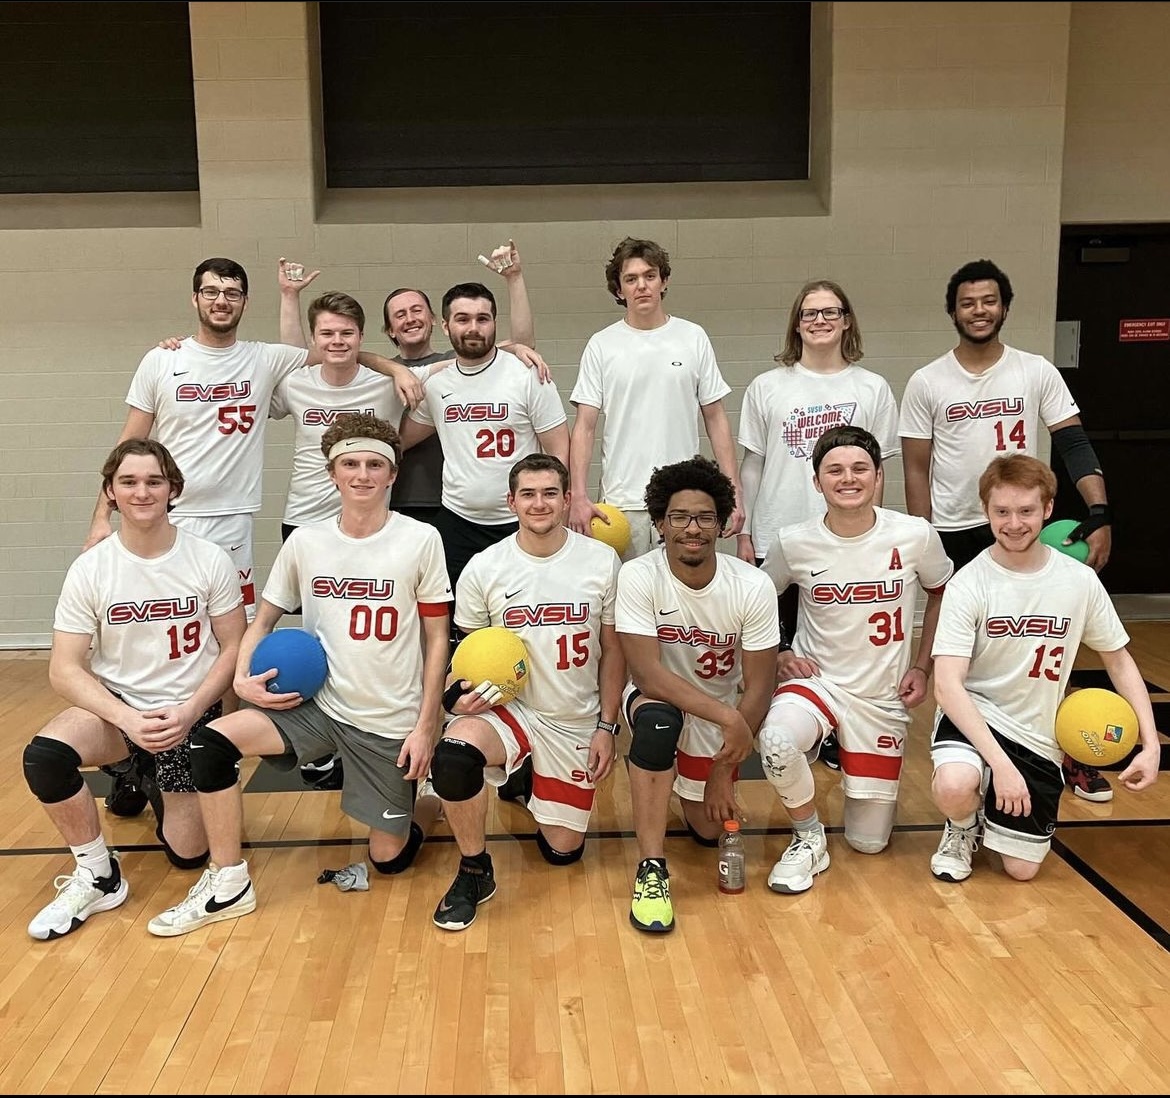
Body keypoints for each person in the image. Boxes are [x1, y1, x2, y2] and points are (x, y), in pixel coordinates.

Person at [146, 413, 451, 936]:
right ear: (332, 474)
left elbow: (437, 638)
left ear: (392, 474)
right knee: (212, 743)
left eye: (374, 464)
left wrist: (426, 726)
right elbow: (259, 620)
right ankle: (228, 878)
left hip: (386, 716)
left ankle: (426, 803)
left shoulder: (420, 540)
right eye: (350, 464)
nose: (362, 474)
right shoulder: (306, 542)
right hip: (315, 706)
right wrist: (241, 680)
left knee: (388, 860)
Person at [899, 258, 1117, 801]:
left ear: (1004, 307)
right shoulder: (928, 380)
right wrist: (924, 531)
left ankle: (1071, 747)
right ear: (953, 310)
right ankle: (968, 746)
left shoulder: (1035, 370)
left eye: (989, 300)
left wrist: (1100, 514)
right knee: (961, 648)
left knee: (1050, 640)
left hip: (1021, 523)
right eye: (968, 302)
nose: (979, 310)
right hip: (956, 527)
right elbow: (915, 466)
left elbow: (1073, 443)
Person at [23, 439, 245, 940]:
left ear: (172, 490)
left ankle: (141, 773)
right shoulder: (92, 568)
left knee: (187, 855)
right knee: (44, 757)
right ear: (111, 492)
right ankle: (99, 873)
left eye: (153, 481)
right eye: (129, 481)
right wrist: (126, 720)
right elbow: (63, 668)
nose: (141, 492)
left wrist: (191, 712)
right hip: (123, 711)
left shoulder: (209, 559)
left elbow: (233, 647)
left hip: (191, 710)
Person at [927, 453, 1159, 885]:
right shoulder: (968, 584)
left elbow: (1119, 658)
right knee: (955, 785)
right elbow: (947, 687)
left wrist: (1150, 742)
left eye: (1026, 511)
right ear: (986, 511)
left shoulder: (1079, 581)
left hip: (1037, 732)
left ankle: (998, 804)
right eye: (1002, 512)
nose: (1014, 523)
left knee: (1021, 871)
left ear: (1048, 509)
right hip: (977, 716)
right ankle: (961, 826)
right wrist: (1001, 766)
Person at [428, 454, 624, 931]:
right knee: (454, 756)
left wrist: (606, 728)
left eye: (550, 493)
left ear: (568, 499)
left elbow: (615, 654)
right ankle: (475, 869)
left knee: (562, 850)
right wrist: (456, 700)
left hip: (574, 715)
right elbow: (465, 655)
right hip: (511, 709)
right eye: (529, 494)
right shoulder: (484, 567)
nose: (540, 504)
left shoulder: (602, 560)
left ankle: (522, 779)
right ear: (511, 501)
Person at [757, 426, 952, 893]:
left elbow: (943, 593)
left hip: (881, 697)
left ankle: (865, 792)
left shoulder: (915, 535)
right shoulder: (793, 541)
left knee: (869, 842)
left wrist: (923, 666)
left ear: (879, 476)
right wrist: (780, 652)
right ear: (816, 481)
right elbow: (757, 599)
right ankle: (808, 836)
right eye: (835, 470)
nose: (849, 478)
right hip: (817, 682)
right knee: (778, 742)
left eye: (860, 468)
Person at [736, 279, 900, 771]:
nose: (821, 320)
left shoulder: (871, 387)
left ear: (847, 320)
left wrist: (875, 533)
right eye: (810, 313)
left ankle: (833, 730)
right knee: (778, 647)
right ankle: (779, 730)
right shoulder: (769, 386)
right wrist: (745, 533)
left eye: (831, 312)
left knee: (836, 639)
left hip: (848, 538)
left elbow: (881, 468)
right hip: (779, 533)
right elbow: (752, 465)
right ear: (797, 323)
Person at [615, 456, 779, 933]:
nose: (693, 528)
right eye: (681, 517)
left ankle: (683, 785)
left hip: (720, 709)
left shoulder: (751, 585)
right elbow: (647, 674)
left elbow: (761, 683)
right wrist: (731, 722)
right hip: (661, 701)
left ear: (722, 523)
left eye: (705, 517)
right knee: (657, 723)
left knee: (709, 832)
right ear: (661, 523)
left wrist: (723, 771)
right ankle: (651, 866)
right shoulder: (639, 576)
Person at [278, 240, 539, 531]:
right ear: (389, 329)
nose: (410, 318)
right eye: (399, 315)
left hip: (445, 502)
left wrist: (514, 284)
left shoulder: (457, 363)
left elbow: (518, 344)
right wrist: (392, 368)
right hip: (391, 499)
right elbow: (310, 360)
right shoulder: (380, 377)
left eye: (417, 310)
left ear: (434, 320)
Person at [399, 281, 570, 614]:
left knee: (524, 618)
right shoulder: (436, 385)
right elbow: (400, 440)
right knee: (457, 624)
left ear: (494, 322)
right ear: (446, 325)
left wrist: (561, 505)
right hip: (458, 520)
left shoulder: (526, 374)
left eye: (483, 318)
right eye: (463, 319)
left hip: (519, 523)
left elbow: (558, 449)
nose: (473, 327)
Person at [568, 237, 744, 558]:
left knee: (683, 600)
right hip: (620, 504)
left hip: (682, 500)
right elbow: (584, 427)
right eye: (631, 279)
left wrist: (733, 490)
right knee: (625, 602)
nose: (642, 286)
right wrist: (577, 495)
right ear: (619, 290)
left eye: (650, 276)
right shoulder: (602, 344)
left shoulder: (693, 337)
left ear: (664, 282)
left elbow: (716, 418)